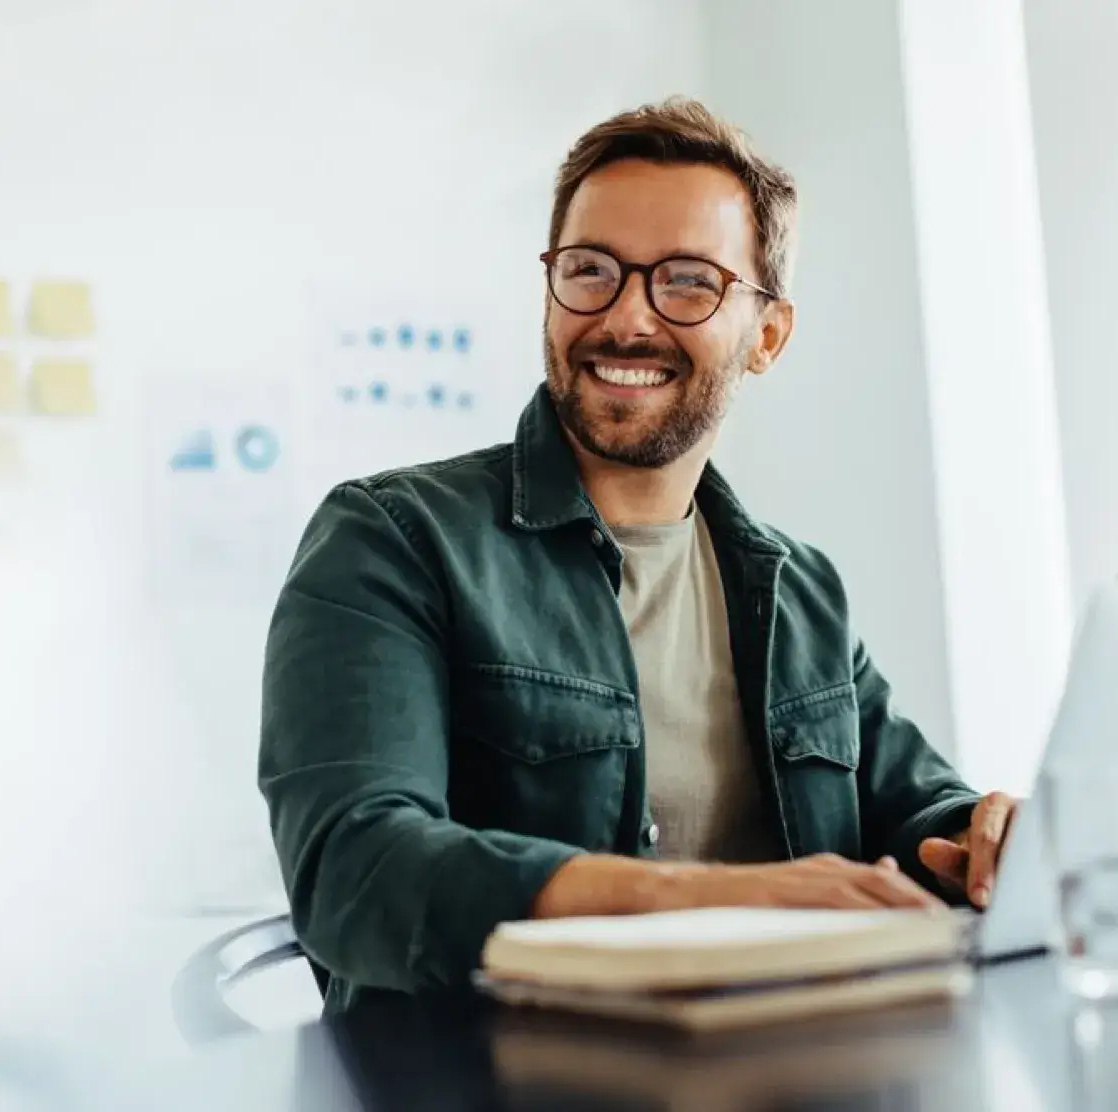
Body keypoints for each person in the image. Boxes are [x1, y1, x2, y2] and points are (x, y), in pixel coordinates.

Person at [259, 96, 1014, 1009]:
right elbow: (356, 871)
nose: (627, 318)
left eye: (689, 281)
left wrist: (988, 835)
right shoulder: (393, 539)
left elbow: (916, 814)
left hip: (799, 1066)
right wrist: (701, 901)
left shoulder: (799, 588)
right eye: (591, 270)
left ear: (766, 336)